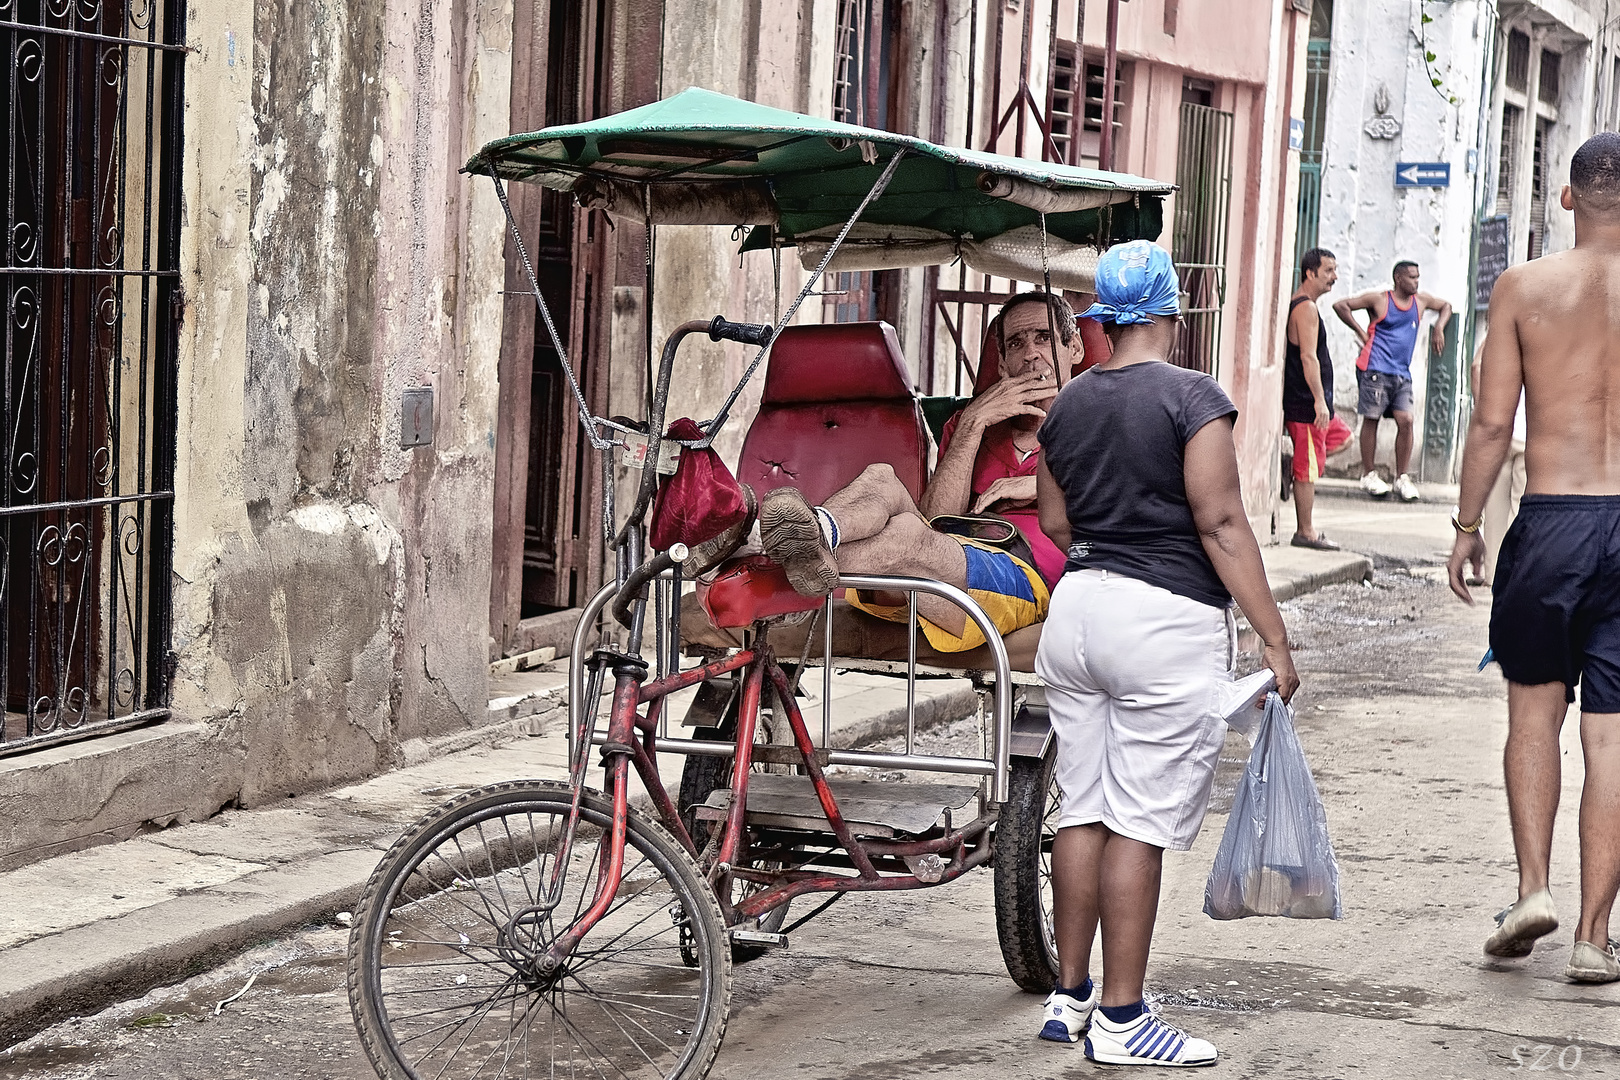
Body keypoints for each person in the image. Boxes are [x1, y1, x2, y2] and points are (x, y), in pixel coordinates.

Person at [1032, 240, 1301, 1065]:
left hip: (1075, 613)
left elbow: (1053, 523)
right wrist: (1274, 636)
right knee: (1138, 821)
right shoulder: (1193, 397)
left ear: (1106, 320)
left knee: (1081, 806)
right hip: (1162, 622)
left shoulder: (1068, 404)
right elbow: (1221, 523)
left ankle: (1069, 994)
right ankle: (1122, 1018)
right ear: (1171, 314)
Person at [1447, 131, 1620, 984]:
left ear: (1567, 198)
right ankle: (1593, 935)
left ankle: (1531, 891)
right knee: (1614, 739)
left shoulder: (1523, 288)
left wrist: (1466, 522)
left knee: (1532, 715)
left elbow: (1490, 424)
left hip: (1553, 516)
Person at [753, 291, 1073, 652]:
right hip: (945, 556)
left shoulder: (1099, 421)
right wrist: (974, 422)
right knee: (881, 478)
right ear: (1002, 365)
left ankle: (757, 556)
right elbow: (935, 519)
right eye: (1016, 343)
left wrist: (1039, 486)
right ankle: (816, 529)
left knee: (903, 534)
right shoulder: (972, 423)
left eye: (1043, 337)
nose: (1031, 354)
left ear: (1073, 349)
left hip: (1023, 575)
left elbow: (1129, 510)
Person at [1332, 261, 1453, 502]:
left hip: (1401, 372)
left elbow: (1446, 306)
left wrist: (1439, 327)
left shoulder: (1420, 302)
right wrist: (1361, 331)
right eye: (1411, 277)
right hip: (1375, 367)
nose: (1416, 282)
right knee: (1372, 418)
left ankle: (1402, 478)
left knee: (1406, 420)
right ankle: (1368, 474)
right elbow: (1341, 305)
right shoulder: (1380, 300)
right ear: (1398, 278)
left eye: (1418, 277)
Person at [1283, 247, 1343, 550]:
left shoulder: (1308, 306)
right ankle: (1305, 532)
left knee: (1343, 438)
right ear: (1311, 272)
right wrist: (1319, 401)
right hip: (1306, 405)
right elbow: (1308, 357)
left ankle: (1291, 467)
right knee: (1306, 470)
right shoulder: (1305, 308)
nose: (1334, 277)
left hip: (1316, 405)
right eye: (1328, 270)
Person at [1468, 332, 1527, 586]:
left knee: (1495, 520)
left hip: (1499, 432)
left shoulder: (1504, 326)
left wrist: (1485, 409)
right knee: (1522, 514)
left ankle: (1495, 583)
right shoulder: (1551, 326)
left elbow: (1476, 366)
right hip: (1532, 434)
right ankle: (1517, 583)